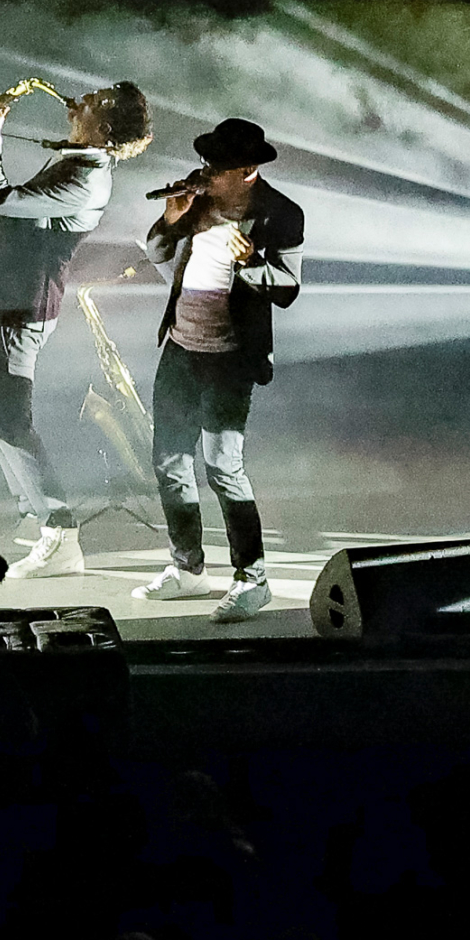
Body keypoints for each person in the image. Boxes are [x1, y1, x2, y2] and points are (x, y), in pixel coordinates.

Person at [0, 80, 153, 580]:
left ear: (102, 129)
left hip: (24, 305)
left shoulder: (88, 176)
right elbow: (19, 209)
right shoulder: (77, 162)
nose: (76, 101)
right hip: (9, 297)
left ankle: (60, 533)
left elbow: (7, 201)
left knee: (10, 420)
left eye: (92, 102)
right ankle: (33, 515)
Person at [131, 117, 303, 624]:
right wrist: (169, 219)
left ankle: (253, 579)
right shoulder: (198, 201)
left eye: (217, 167)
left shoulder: (280, 214)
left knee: (222, 468)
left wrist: (251, 262)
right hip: (181, 349)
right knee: (169, 462)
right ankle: (188, 569)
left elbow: (288, 288)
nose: (205, 172)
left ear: (247, 169)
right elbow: (159, 255)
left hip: (230, 359)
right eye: (205, 163)